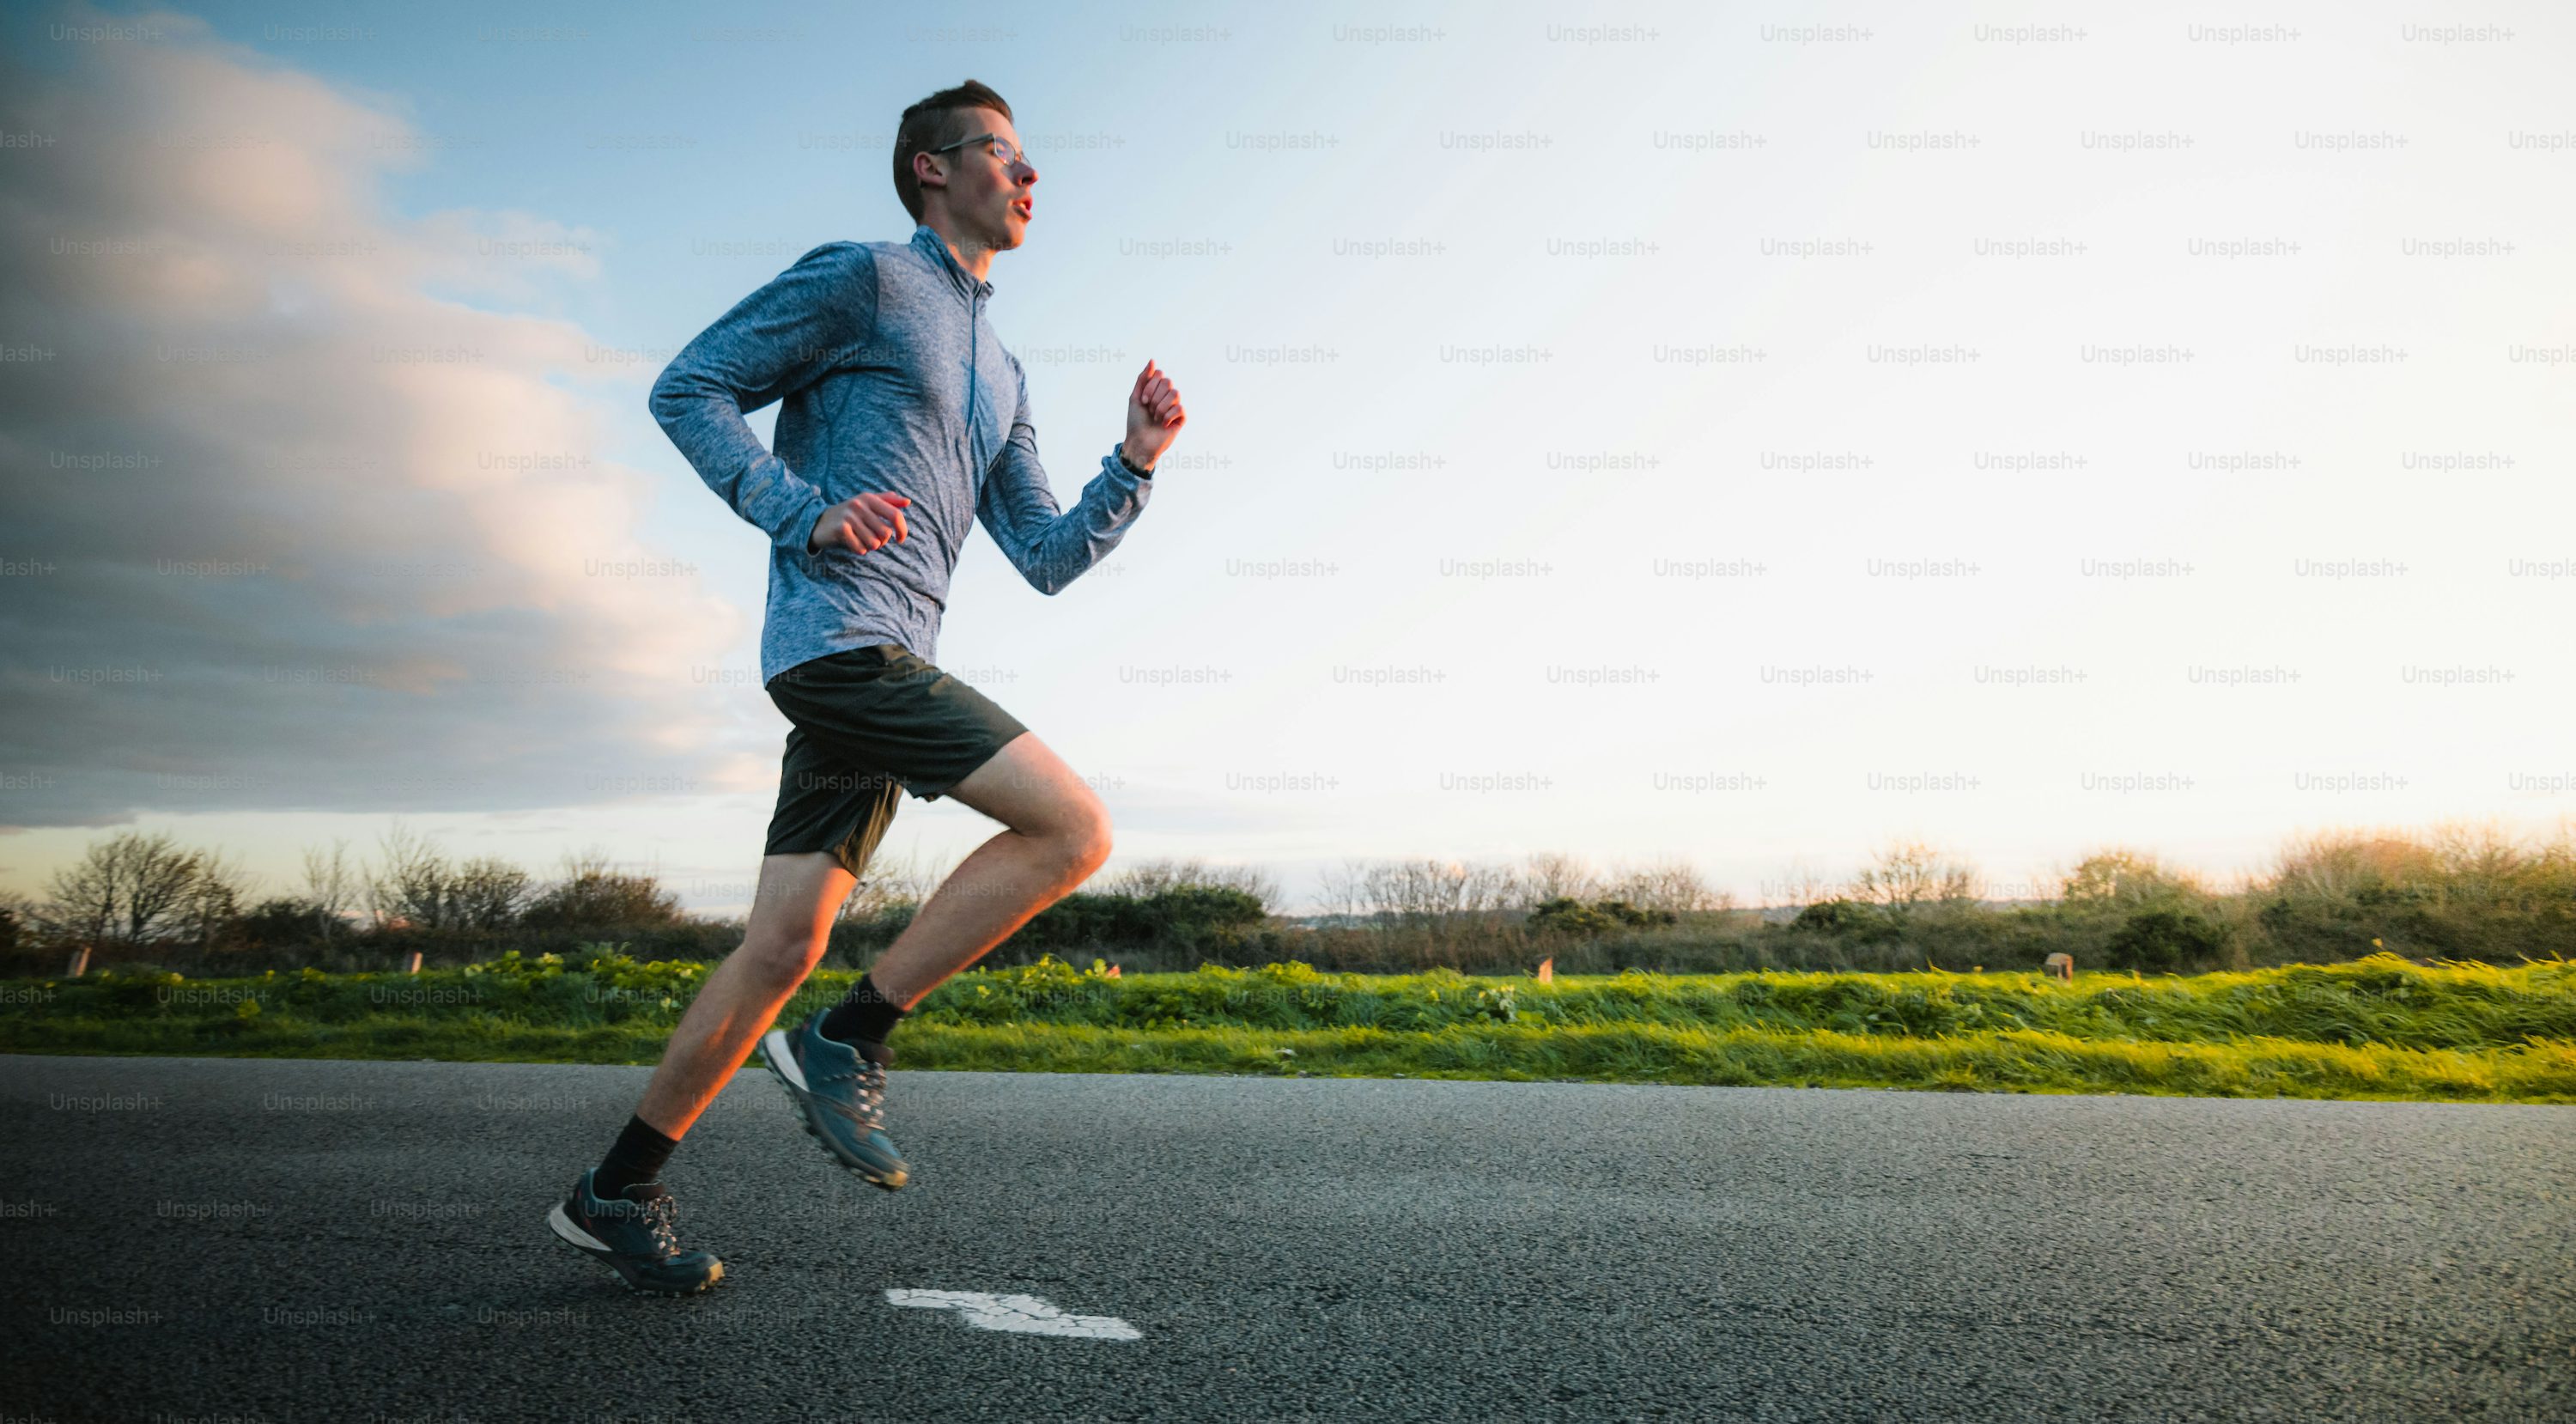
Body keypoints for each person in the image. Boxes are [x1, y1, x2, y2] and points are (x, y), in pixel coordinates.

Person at [547, 79, 1187, 1294]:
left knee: (782, 941)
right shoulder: (863, 279)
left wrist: (1135, 465)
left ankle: (614, 1188)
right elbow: (688, 385)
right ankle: (853, 1035)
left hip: (887, 663)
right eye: (1002, 153)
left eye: (1030, 157)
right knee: (1072, 826)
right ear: (931, 171)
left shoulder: (1004, 367)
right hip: (841, 644)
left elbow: (1044, 555)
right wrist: (802, 513)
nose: (1028, 174)